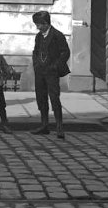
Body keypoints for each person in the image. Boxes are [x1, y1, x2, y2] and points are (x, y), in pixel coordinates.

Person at [31, 10, 70, 139]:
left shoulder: (57, 35)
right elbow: (35, 51)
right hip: (40, 72)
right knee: (41, 97)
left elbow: (65, 53)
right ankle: (44, 125)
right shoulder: (39, 36)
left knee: (54, 97)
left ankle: (59, 127)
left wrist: (55, 66)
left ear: (46, 23)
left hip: (51, 72)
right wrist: (36, 64)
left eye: (39, 24)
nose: (37, 27)